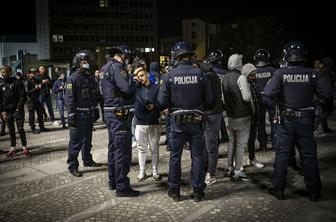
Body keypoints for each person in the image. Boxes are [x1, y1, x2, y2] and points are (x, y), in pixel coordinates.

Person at [264, 41, 333, 202]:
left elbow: (267, 95)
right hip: (306, 120)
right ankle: (314, 191)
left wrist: (277, 107)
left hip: (286, 121)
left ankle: (279, 189)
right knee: (309, 155)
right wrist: (316, 104)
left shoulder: (280, 74)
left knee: (282, 154)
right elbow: (328, 94)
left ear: (286, 56)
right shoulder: (313, 73)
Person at [158, 41, 213, 202]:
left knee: (175, 156)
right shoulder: (200, 74)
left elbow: (161, 102)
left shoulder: (169, 75)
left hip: (177, 122)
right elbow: (210, 99)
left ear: (176, 57)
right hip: (196, 121)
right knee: (197, 156)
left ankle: (174, 191)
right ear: (190, 55)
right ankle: (197, 190)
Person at [100, 45, 140, 197]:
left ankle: (113, 181)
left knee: (113, 149)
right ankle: (122, 186)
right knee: (122, 151)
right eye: (127, 58)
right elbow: (127, 87)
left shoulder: (105, 67)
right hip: (119, 114)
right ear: (123, 56)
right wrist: (134, 80)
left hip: (111, 113)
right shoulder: (117, 68)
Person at [65, 50, 101, 177]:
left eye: (87, 62)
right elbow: (69, 98)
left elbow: (94, 95)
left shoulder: (90, 77)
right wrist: (71, 115)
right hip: (78, 114)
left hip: (88, 113)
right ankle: (73, 166)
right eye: (84, 62)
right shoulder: (73, 78)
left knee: (87, 140)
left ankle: (87, 160)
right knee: (75, 142)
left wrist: (95, 108)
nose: (86, 64)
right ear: (78, 63)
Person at [222, 54, 252, 181]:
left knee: (232, 141)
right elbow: (246, 97)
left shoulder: (224, 78)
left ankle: (229, 167)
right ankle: (238, 169)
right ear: (239, 63)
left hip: (230, 115)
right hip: (242, 115)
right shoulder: (241, 77)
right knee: (240, 144)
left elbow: (223, 99)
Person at [133, 66, 161, 182]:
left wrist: (155, 106)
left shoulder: (156, 87)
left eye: (142, 75)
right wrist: (133, 76)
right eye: (138, 76)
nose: (140, 78)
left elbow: (162, 102)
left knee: (154, 148)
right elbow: (127, 85)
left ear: (147, 74)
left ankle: (155, 170)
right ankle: (142, 170)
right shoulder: (135, 88)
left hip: (154, 122)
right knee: (141, 148)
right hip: (140, 122)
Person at [200, 59, 224, 186]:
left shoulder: (206, 78)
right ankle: (209, 171)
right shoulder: (215, 76)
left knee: (210, 145)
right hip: (215, 113)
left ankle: (211, 173)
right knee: (210, 144)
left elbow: (207, 98)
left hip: (210, 113)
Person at [0, 65, 29, 157]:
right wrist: (2, 111)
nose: (3, 74)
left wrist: (18, 107)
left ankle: (24, 147)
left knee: (20, 129)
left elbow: (23, 96)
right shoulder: (1, 84)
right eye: (2, 72)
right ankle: (13, 147)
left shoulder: (18, 82)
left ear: (10, 72)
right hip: (7, 111)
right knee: (11, 129)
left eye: (5, 72)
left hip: (17, 110)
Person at [242, 63, 264, 168]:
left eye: (255, 75)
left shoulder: (254, 84)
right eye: (251, 75)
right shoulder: (242, 85)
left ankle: (252, 158)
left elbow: (258, 100)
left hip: (255, 115)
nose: (254, 77)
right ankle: (238, 163)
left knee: (251, 139)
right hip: (245, 117)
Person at [254, 49, 276, 151]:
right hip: (271, 98)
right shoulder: (272, 70)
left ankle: (263, 145)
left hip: (259, 99)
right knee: (274, 121)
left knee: (261, 123)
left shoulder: (253, 70)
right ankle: (275, 144)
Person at [25, 68, 49, 133]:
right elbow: (27, 92)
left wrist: (43, 82)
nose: (34, 74)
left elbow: (40, 84)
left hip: (36, 99)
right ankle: (33, 128)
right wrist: (36, 88)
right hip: (30, 100)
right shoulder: (27, 81)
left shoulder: (35, 79)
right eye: (32, 73)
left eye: (35, 72)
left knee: (40, 113)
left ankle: (42, 127)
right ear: (29, 73)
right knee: (32, 115)